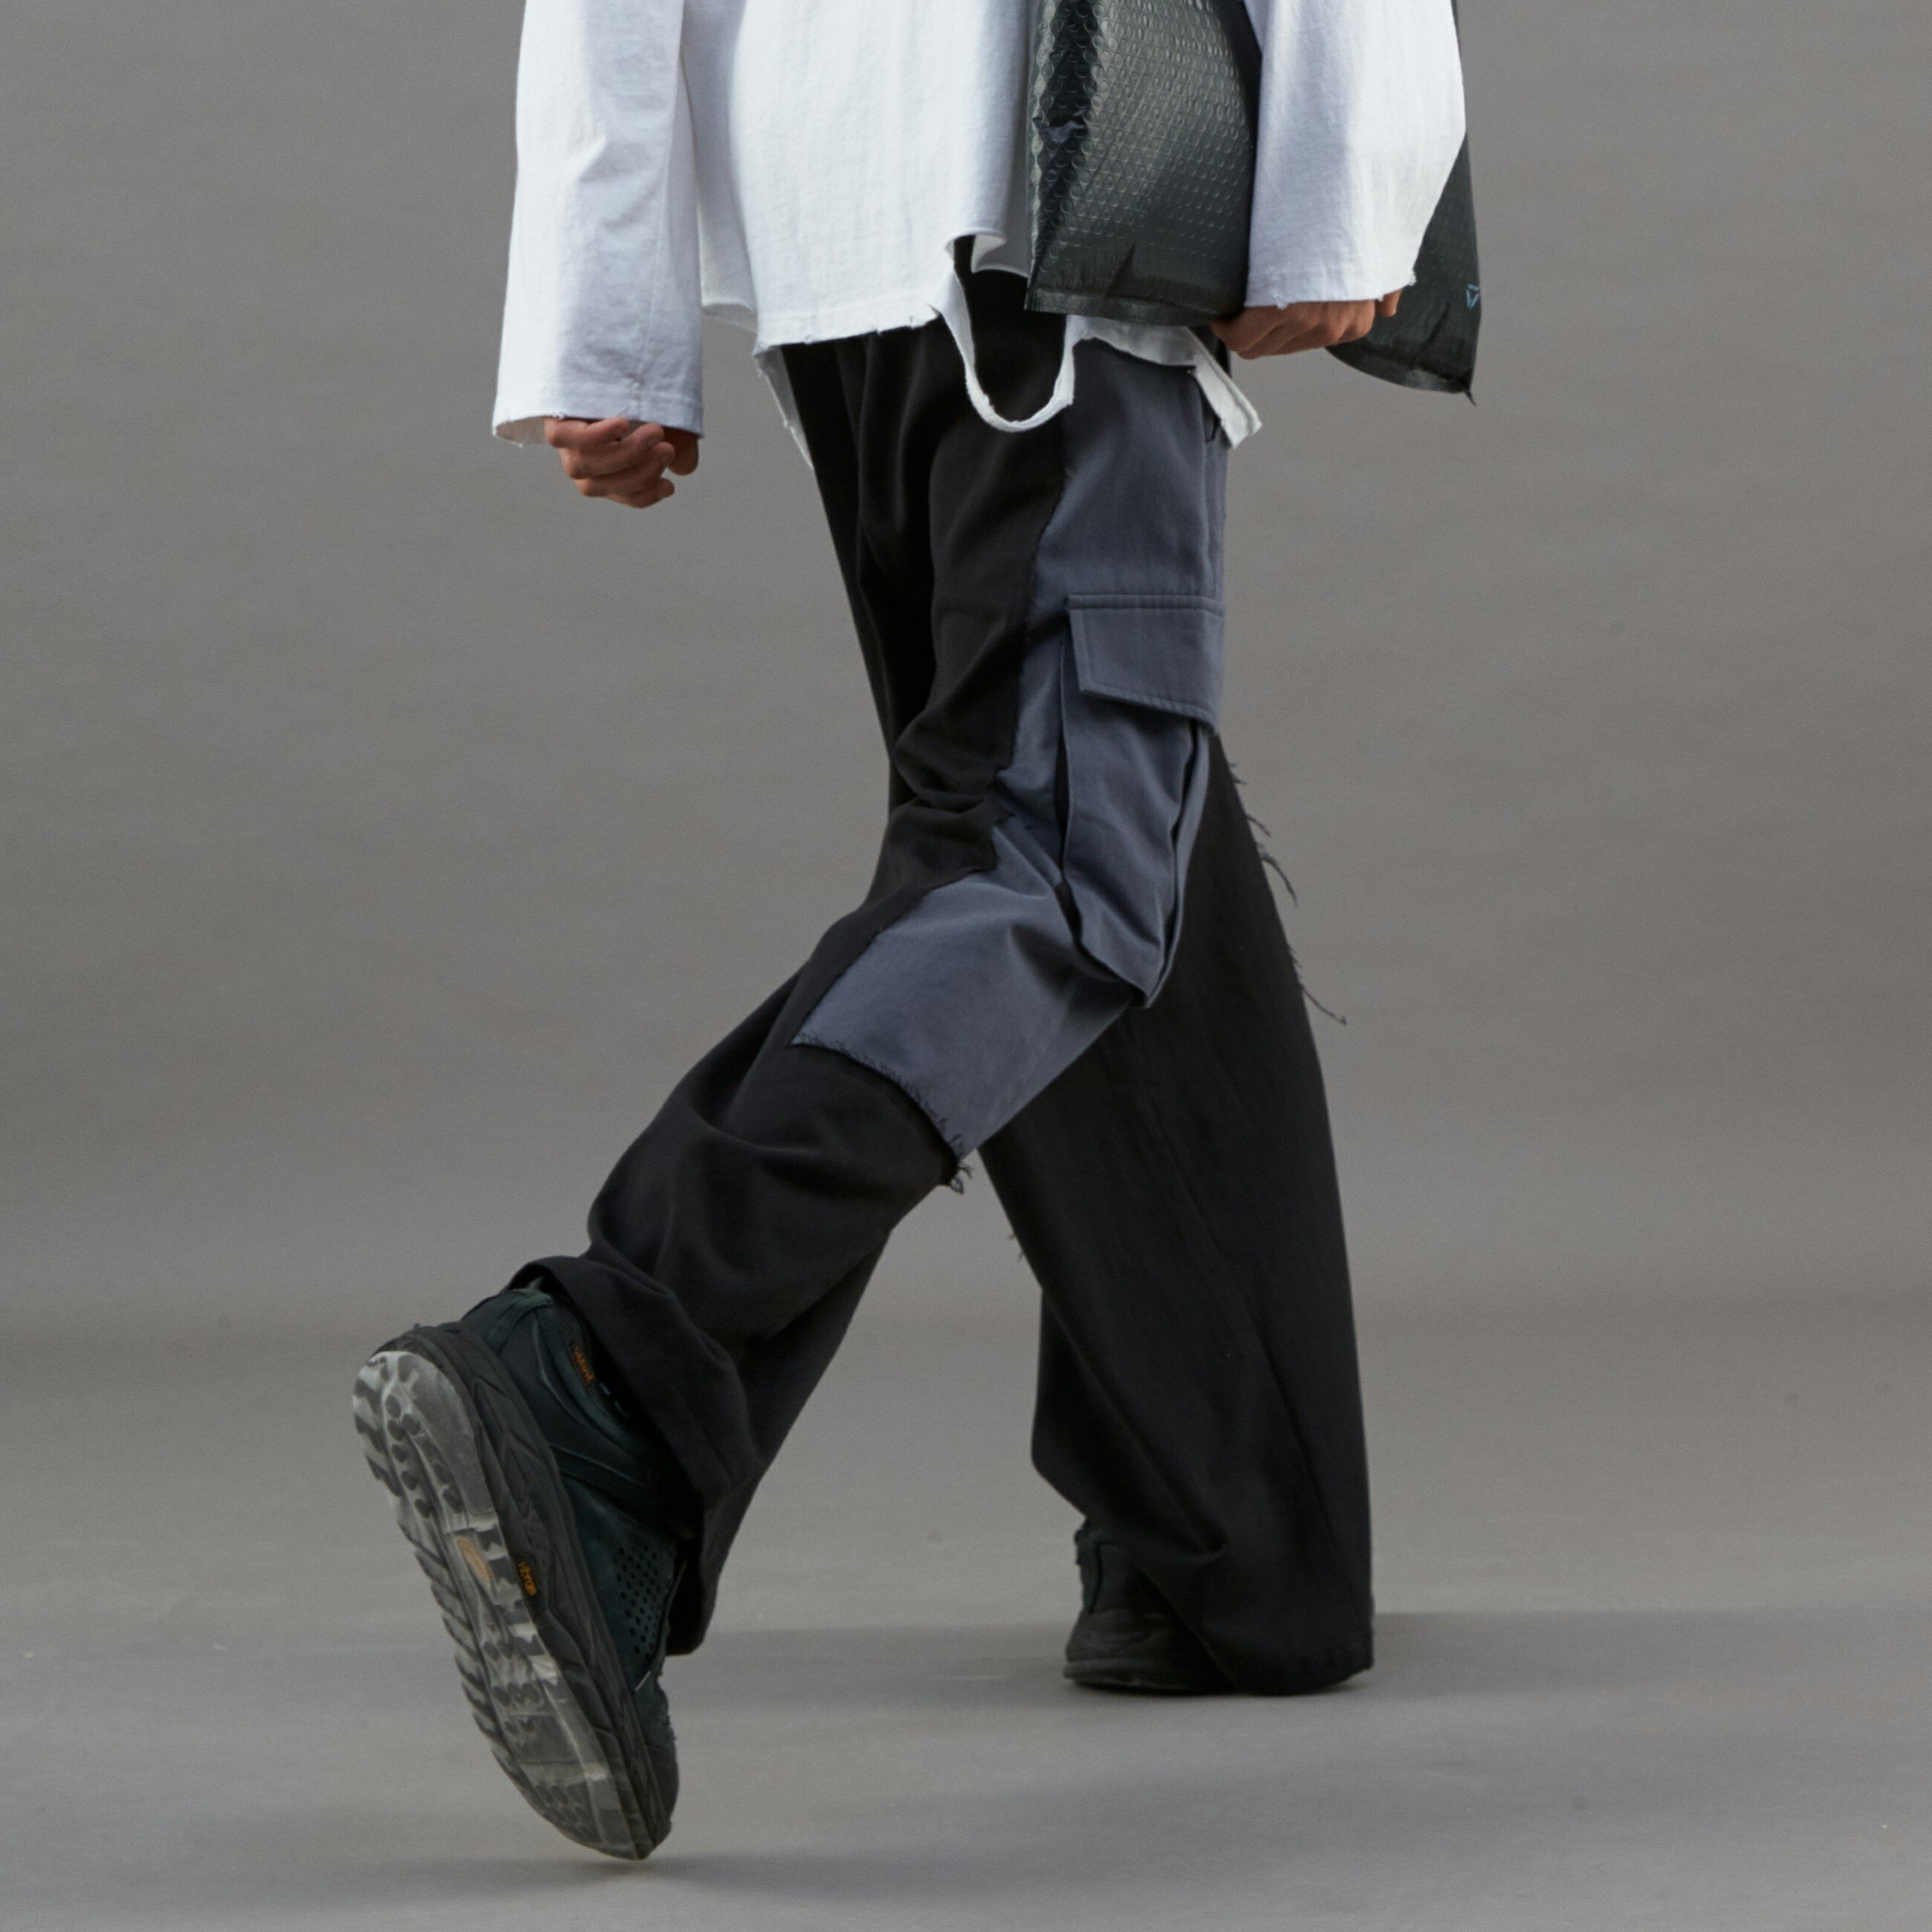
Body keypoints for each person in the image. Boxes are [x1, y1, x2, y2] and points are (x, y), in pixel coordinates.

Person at [353, 0, 1467, 1862]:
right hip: (1053, 176)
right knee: (1054, 861)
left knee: (1106, 833)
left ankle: (1226, 1537)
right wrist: (1351, 176)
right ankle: (609, 1367)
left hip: (845, 230)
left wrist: (605, 318)